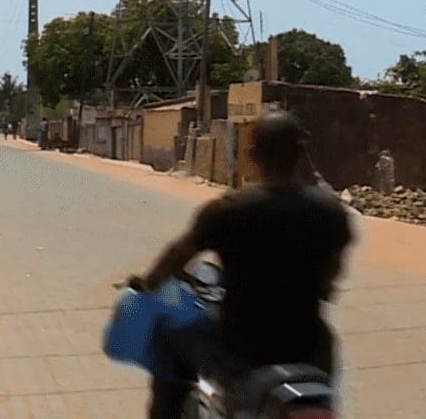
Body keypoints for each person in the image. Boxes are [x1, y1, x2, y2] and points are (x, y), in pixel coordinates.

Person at [129, 113, 353, 419]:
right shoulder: (331, 212)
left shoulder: (229, 210)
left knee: (169, 337)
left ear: (252, 155)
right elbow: (330, 282)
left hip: (240, 349)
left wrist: (148, 284)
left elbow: (176, 257)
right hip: (310, 348)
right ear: (300, 154)